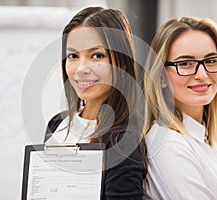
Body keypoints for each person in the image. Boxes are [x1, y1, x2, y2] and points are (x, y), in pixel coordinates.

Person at [44, 6, 149, 200]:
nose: (81, 68)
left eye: (97, 55)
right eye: (73, 56)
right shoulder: (56, 124)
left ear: (121, 64)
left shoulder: (123, 142)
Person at [143, 16, 217, 199]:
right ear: (160, 76)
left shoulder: (212, 143)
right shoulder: (167, 143)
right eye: (185, 63)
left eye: (211, 60)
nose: (202, 74)